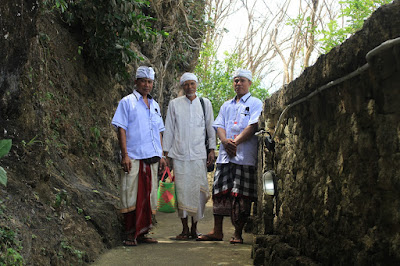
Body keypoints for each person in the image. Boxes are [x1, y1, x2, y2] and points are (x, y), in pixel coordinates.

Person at [197, 69, 263, 244]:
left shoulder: (255, 103)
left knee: (241, 196)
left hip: (245, 157)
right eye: (235, 81)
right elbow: (219, 124)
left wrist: (236, 142)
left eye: (242, 80)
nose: (238, 84)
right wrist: (225, 141)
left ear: (249, 83)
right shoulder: (227, 105)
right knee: (219, 192)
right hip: (226, 157)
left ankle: (238, 233)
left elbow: (253, 125)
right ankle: (217, 231)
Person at [111, 66, 167, 246]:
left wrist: (162, 154)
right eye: (143, 81)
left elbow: (159, 131)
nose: (147, 85)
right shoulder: (127, 102)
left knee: (149, 195)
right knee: (130, 193)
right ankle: (129, 234)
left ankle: (143, 233)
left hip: (152, 157)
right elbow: (121, 128)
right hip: (134, 156)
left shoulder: (155, 105)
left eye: (150, 82)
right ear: (136, 82)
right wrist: (125, 155)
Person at [163, 72, 216, 240]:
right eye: (186, 84)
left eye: (192, 84)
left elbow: (210, 128)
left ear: (196, 85)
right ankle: (184, 229)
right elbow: (169, 129)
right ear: (182, 86)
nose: (189, 87)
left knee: (199, 192)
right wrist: (166, 153)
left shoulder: (205, 103)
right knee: (182, 191)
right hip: (179, 155)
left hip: (199, 154)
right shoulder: (174, 104)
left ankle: (195, 228)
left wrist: (212, 149)